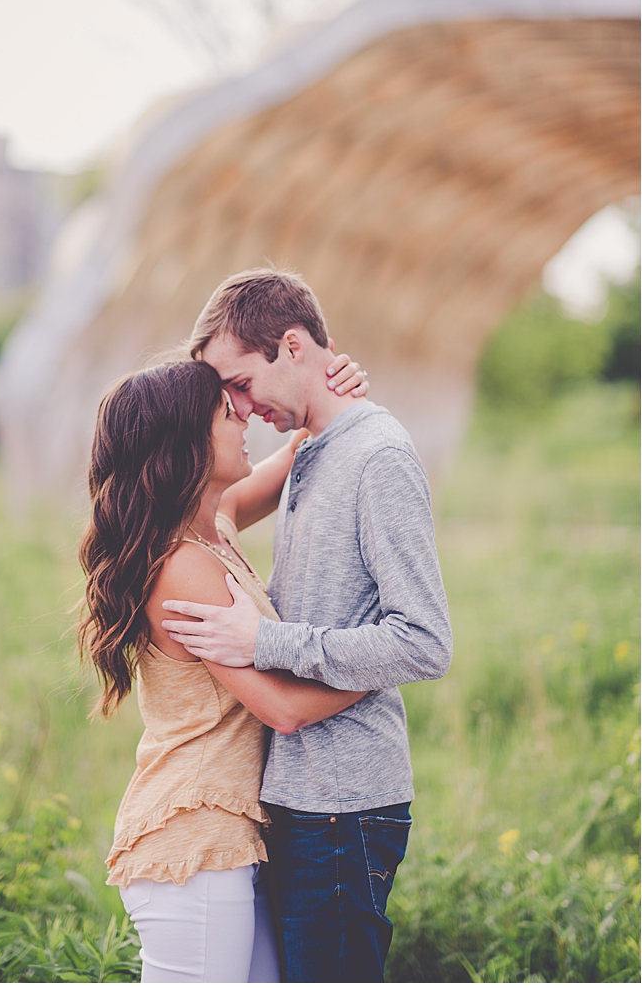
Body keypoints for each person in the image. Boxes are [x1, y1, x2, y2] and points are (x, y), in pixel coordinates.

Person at [159, 268, 453, 983]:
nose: (237, 405)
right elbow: (207, 511)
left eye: (239, 382)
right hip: (298, 800)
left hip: (344, 805)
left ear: (292, 346)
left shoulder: (376, 455)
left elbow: (424, 638)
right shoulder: (313, 449)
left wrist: (263, 641)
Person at [78, 351, 373, 982]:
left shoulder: (212, 527)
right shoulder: (183, 566)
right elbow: (284, 709)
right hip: (192, 847)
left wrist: (327, 387)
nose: (243, 415)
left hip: (229, 844)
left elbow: (297, 450)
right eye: (225, 409)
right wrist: (392, 657)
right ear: (186, 442)